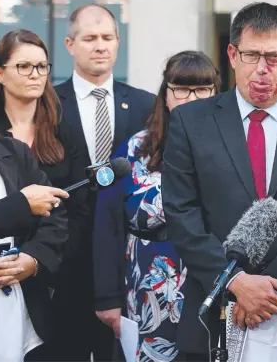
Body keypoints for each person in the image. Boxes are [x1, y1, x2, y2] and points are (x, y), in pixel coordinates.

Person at [161, 2, 277, 361]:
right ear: (232, 54)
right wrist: (233, 283)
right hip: (212, 313)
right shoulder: (191, 122)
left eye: (275, 57)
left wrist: (267, 294)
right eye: (252, 55)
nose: (263, 70)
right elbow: (181, 212)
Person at [93, 51, 221, 360]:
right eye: (182, 89)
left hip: (208, 285)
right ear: (166, 94)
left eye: (202, 89)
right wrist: (107, 297)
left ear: (215, 94)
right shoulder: (135, 149)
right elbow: (107, 223)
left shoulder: (228, 148)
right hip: (145, 286)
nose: (191, 98)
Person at [51, 4, 155, 361]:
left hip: (128, 261)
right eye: (89, 38)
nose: (100, 46)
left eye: (107, 38)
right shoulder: (49, 104)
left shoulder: (145, 105)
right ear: (69, 44)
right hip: (66, 261)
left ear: (118, 41)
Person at [0, 28, 89, 291]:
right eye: (24, 66)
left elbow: (80, 207)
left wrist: (39, 259)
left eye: (42, 66)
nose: (35, 74)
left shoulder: (64, 129)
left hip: (58, 269)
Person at [0, 129, 68, 360]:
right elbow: (24, 205)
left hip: (14, 306)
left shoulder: (10, 150)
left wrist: (32, 260)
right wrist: (20, 206)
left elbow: (54, 215)